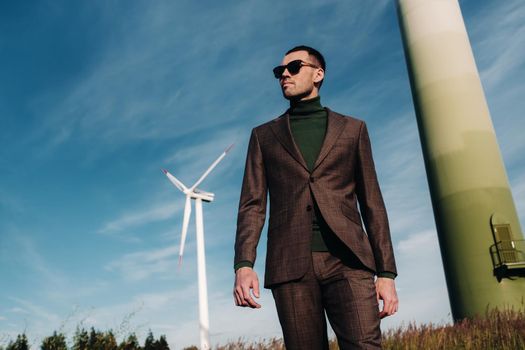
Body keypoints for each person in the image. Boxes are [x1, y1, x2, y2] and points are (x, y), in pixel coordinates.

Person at [233, 45, 398, 349]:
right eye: (279, 71)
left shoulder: (353, 130)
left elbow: (373, 203)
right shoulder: (263, 136)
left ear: (318, 74)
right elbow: (252, 205)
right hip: (289, 265)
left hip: (349, 260)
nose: (284, 73)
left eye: (294, 67)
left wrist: (386, 273)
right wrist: (244, 264)